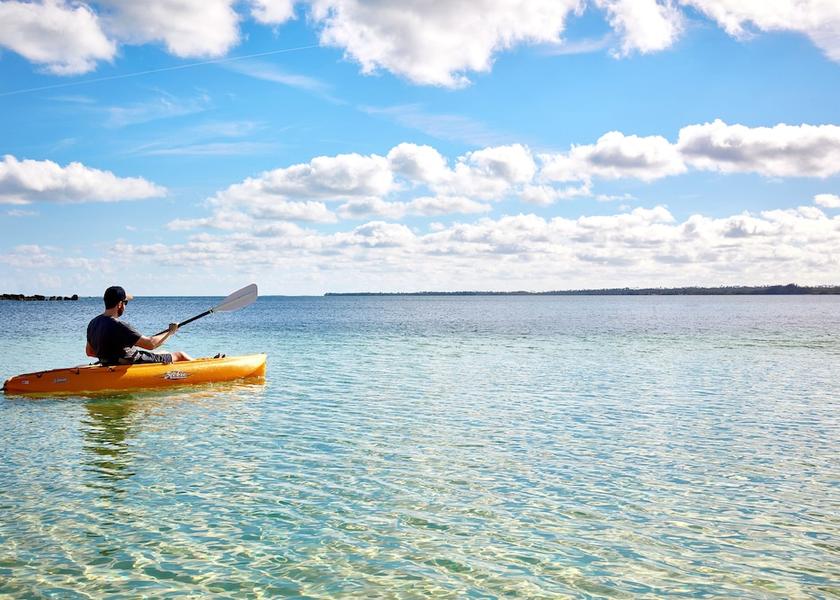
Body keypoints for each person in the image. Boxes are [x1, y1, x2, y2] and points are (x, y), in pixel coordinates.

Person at [86, 286, 193, 365]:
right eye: (125, 303)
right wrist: (170, 332)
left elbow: (90, 352)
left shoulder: (93, 323)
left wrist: (110, 356)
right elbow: (151, 344)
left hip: (108, 362)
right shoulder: (119, 325)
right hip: (131, 361)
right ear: (119, 304)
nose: (125, 306)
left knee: (164, 353)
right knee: (180, 355)